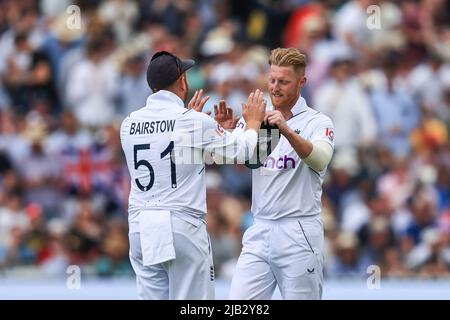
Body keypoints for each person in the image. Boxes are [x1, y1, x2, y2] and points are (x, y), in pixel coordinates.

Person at [119, 51, 266, 300]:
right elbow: (243, 151)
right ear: (182, 82)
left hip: (140, 227)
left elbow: (174, 155)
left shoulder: (129, 123)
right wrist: (252, 123)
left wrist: (211, 130)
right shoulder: (192, 121)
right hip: (180, 225)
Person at [227, 47, 335, 300]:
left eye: (284, 82)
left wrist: (286, 130)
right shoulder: (256, 118)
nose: (275, 87)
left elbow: (319, 160)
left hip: (299, 231)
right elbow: (241, 161)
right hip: (260, 228)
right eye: (272, 80)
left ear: (301, 82)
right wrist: (225, 133)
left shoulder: (317, 122)